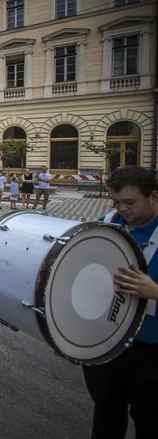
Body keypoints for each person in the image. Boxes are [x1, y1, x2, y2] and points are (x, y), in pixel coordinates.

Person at [82, 166, 158, 439]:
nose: (122, 209)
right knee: (106, 411)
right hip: (106, 341)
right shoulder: (109, 221)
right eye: (116, 202)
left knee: (149, 420)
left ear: (153, 196)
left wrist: (154, 291)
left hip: (149, 349)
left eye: (130, 202)